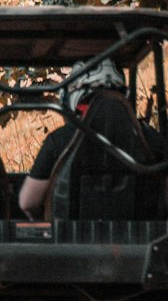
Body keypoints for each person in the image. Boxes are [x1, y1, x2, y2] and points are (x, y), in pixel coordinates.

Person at [19, 58, 163, 218]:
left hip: (69, 240)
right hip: (143, 239)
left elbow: (28, 202)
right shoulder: (152, 140)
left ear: (76, 94)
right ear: (122, 93)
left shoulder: (60, 140)